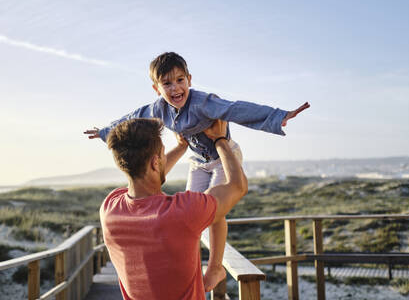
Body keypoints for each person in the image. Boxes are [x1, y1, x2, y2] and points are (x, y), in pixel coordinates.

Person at [86, 52, 310, 289]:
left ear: (189, 80)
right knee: (194, 210)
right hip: (198, 160)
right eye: (167, 83)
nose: (175, 88)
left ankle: (215, 268)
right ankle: (191, 266)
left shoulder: (204, 103)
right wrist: (105, 131)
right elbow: (131, 119)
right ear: (156, 88)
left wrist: (278, 116)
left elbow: (236, 109)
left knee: (217, 206)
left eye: (180, 80)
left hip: (224, 154)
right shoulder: (157, 109)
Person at [99, 118, 248, 299]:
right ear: (155, 163)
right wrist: (220, 140)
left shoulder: (109, 208)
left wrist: (179, 148)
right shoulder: (182, 212)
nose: (164, 157)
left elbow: (141, 176)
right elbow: (237, 186)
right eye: (163, 154)